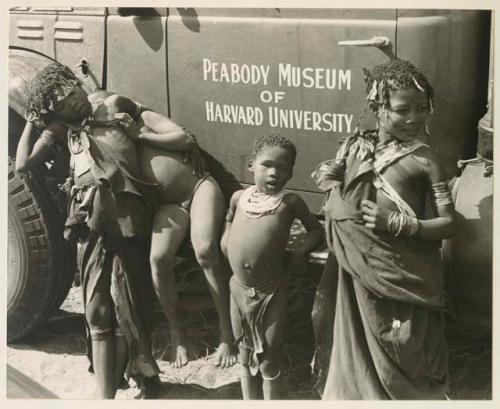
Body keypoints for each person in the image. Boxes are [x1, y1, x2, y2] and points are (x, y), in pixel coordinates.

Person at [15, 62, 199, 398]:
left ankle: (142, 374)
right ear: (54, 111)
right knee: (98, 312)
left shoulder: (114, 106)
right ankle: (105, 397)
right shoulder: (62, 132)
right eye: (64, 102)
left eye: (74, 91)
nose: (75, 100)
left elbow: (175, 133)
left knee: (135, 305)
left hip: (130, 222)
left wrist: (150, 136)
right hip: (91, 225)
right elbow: (24, 165)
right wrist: (31, 119)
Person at [312, 58, 456, 399]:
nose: (414, 118)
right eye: (403, 109)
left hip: (406, 278)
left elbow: (449, 224)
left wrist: (401, 224)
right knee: (358, 354)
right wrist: (331, 183)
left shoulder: (427, 160)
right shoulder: (354, 147)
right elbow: (332, 181)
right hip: (360, 275)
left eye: (422, 108)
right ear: (378, 107)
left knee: (405, 346)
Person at [221, 134, 323, 399]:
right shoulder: (238, 197)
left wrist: (301, 253)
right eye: (267, 165)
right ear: (251, 165)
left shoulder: (289, 202)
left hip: (270, 293)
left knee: (268, 358)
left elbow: (315, 230)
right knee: (243, 354)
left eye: (283, 168)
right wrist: (225, 238)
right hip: (238, 290)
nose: (274, 173)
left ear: (290, 174)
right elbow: (230, 219)